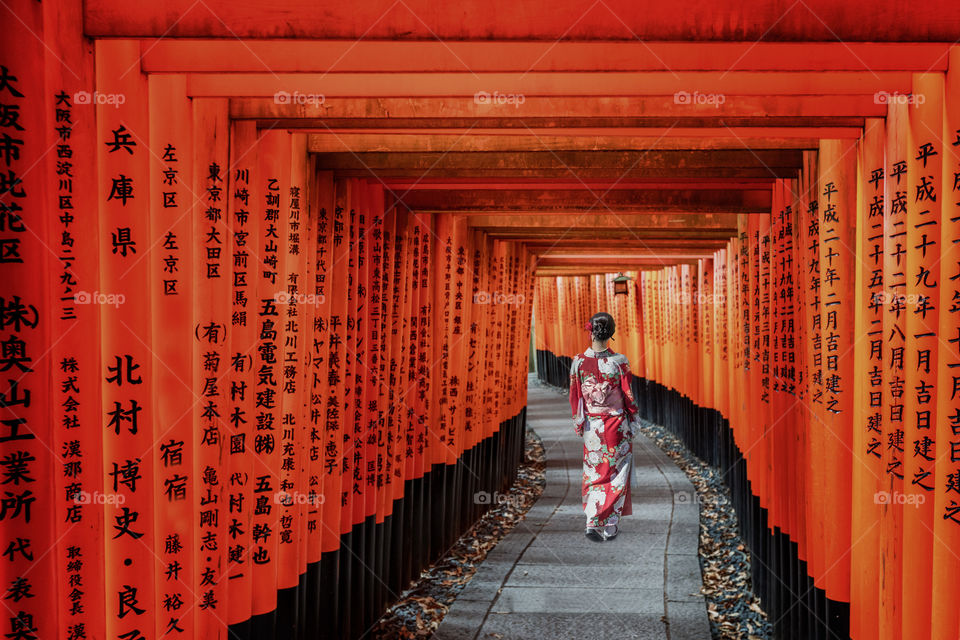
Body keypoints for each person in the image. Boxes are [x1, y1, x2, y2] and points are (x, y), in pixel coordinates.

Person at [568, 312, 640, 542]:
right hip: (616, 425)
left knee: (594, 472)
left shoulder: (578, 361)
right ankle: (609, 524)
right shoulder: (619, 362)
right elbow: (628, 395)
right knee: (617, 473)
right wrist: (634, 418)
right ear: (612, 333)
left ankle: (592, 519)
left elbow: (575, 396)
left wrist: (579, 422)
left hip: (592, 425)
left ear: (590, 331)